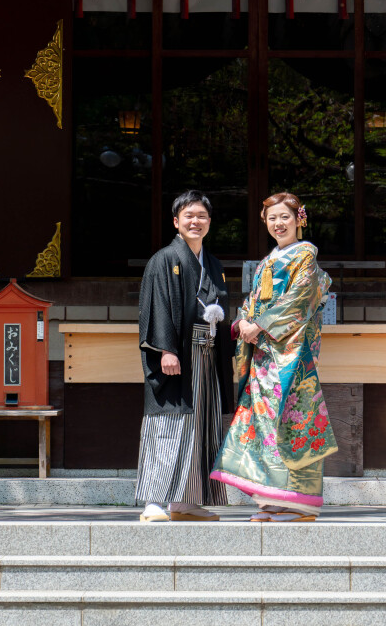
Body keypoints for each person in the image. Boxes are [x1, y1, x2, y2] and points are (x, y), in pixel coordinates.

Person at [210, 191, 336, 522]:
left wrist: (261, 325)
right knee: (261, 423)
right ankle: (270, 499)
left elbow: (299, 301)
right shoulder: (268, 260)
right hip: (264, 355)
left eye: (285, 217)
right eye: (272, 218)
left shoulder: (305, 255)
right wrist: (242, 323)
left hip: (291, 355)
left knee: (289, 421)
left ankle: (298, 503)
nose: (279, 224)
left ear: (299, 220)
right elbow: (253, 300)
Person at [135, 190, 234, 523]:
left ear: (209, 222)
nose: (196, 221)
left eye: (202, 216)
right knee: (169, 423)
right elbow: (157, 305)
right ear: (176, 222)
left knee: (201, 424)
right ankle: (155, 500)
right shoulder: (164, 260)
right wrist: (167, 349)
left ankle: (186, 501)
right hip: (178, 354)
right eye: (189, 216)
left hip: (206, 355)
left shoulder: (214, 265)